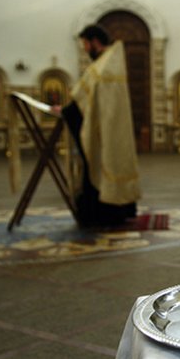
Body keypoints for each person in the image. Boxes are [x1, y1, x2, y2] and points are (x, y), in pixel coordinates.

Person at [58, 24, 141, 227]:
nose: (85, 49)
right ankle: (121, 209)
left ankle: (103, 214)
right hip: (111, 129)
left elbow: (82, 102)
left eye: (85, 44)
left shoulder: (103, 67)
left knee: (99, 164)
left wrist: (66, 112)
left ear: (94, 42)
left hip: (104, 130)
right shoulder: (108, 63)